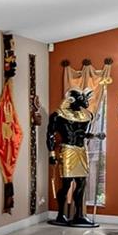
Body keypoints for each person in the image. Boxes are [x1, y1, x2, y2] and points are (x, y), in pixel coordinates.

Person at [48, 88, 93, 225]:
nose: (85, 101)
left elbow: (82, 133)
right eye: (81, 98)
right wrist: (51, 153)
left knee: (81, 183)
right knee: (66, 184)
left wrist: (88, 135)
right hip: (67, 150)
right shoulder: (58, 115)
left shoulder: (88, 115)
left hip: (82, 150)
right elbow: (50, 135)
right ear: (72, 100)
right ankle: (61, 214)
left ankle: (79, 215)